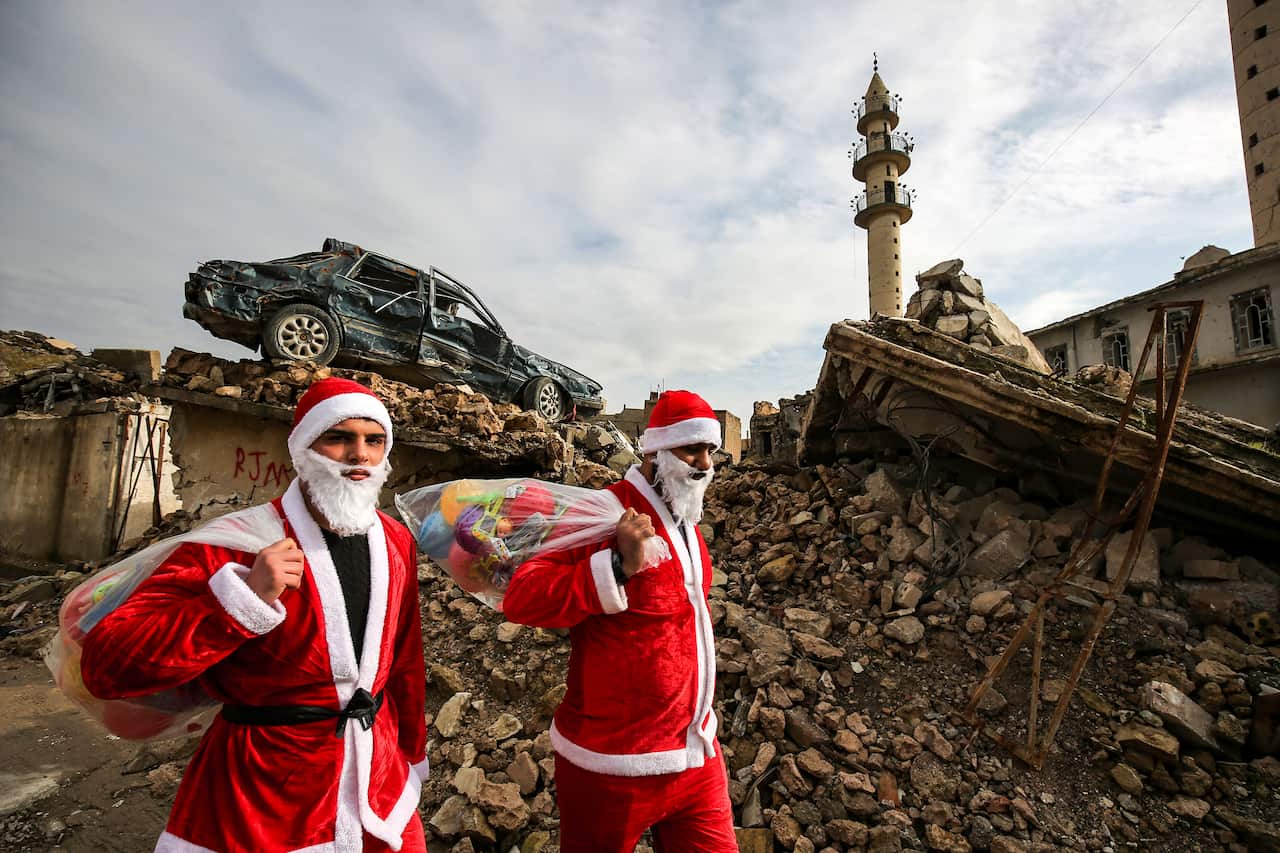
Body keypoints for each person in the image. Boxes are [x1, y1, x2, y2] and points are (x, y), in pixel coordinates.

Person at [80, 377, 428, 853]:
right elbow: (107, 664)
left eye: (374, 441)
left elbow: (405, 661)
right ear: (304, 448)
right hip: (263, 793)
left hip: (377, 782)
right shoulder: (237, 544)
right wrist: (241, 600)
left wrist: (411, 753)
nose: (359, 455)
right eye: (339, 437)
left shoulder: (395, 542)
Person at [502, 389, 737, 852]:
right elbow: (523, 597)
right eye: (690, 449)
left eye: (710, 450)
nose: (704, 464)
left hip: (695, 756)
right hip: (612, 766)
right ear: (655, 453)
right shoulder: (605, 514)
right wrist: (615, 568)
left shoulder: (686, 521)